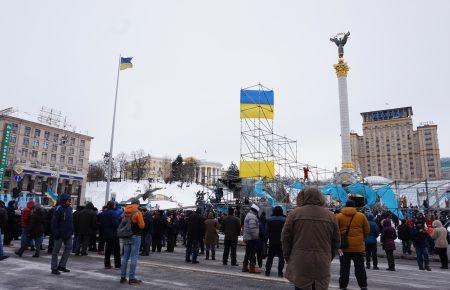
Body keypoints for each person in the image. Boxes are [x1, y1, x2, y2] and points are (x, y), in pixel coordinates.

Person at [282, 188, 340, 290]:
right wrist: (327, 256)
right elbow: (336, 241)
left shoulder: (295, 214)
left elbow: (285, 238)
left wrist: (289, 257)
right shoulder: (331, 216)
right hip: (322, 263)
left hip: (300, 262)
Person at [336, 199, 370, 290]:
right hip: (358, 248)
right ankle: (363, 286)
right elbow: (367, 230)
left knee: (344, 268)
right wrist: (360, 238)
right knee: (360, 267)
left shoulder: (339, 216)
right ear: (354, 206)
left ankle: (343, 286)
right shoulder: (361, 216)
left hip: (343, 248)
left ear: (345, 206)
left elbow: (334, 231)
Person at [120, 198, 145, 285]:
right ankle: (131, 278)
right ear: (137, 204)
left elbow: (122, 222)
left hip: (126, 236)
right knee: (134, 257)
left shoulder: (125, 212)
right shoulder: (137, 212)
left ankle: (122, 277)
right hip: (135, 236)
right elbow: (142, 226)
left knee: (125, 257)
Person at [51, 194, 73, 275]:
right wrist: (56, 232)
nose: (70, 201)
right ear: (64, 200)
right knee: (55, 251)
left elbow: (70, 220)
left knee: (69, 248)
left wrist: (72, 230)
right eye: (68, 199)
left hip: (68, 233)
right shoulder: (58, 209)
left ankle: (62, 265)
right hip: (59, 234)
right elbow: (54, 222)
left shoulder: (70, 208)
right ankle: (54, 268)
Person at [265, 205, 286, 277]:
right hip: (281, 242)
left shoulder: (269, 220)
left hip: (272, 241)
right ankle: (280, 272)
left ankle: (267, 271)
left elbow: (267, 232)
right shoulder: (285, 220)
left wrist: (265, 240)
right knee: (281, 258)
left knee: (270, 257)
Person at [100, 201, 121, 269]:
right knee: (116, 250)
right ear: (113, 206)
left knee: (108, 250)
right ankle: (117, 265)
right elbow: (116, 224)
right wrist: (120, 219)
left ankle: (107, 264)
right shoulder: (113, 213)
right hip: (113, 233)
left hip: (106, 233)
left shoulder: (103, 213)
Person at [242, 204, 260, 274]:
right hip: (251, 238)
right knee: (252, 253)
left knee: (248, 253)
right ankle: (252, 268)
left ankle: (245, 266)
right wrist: (256, 237)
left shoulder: (249, 215)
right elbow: (252, 228)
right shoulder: (252, 217)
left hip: (248, 237)